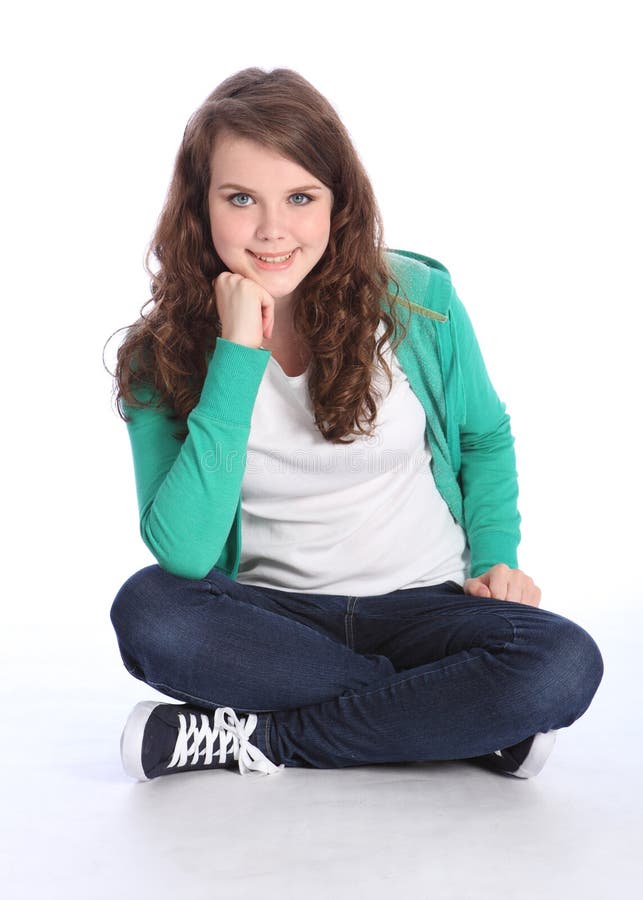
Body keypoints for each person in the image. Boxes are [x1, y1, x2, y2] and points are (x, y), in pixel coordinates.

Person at [107, 67, 603, 783]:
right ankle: (452, 721)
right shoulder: (158, 355)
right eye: (240, 198)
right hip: (269, 624)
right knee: (150, 613)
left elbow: (480, 437)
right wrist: (236, 356)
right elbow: (183, 554)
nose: (272, 230)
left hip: (428, 609)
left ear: (338, 206)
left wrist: (495, 554)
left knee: (561, 665)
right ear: (199, 206)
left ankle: (256, 738)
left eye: (300, 197)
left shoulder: (418, 302)